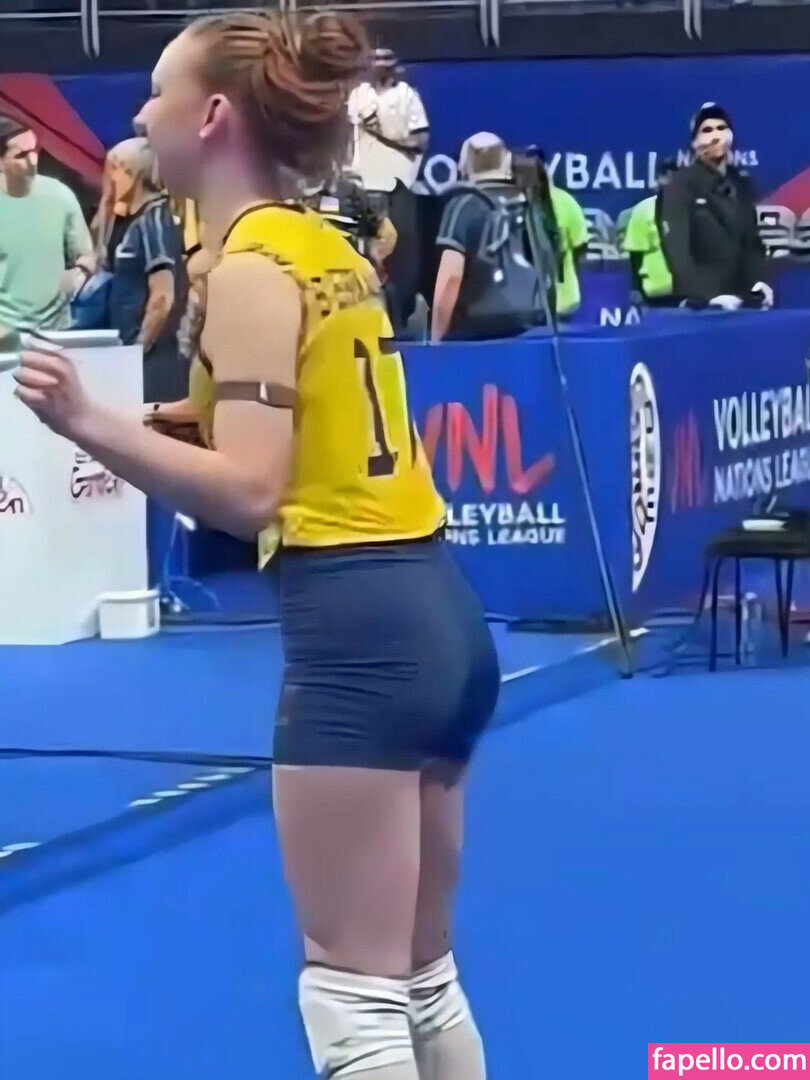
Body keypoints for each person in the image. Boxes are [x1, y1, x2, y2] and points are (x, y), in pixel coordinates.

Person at [14, 11, 499, 1080]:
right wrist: (160, 422)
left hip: (356, 635)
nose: (140, 115)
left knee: (352, 1000)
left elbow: (249, 491)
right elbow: (301, 421)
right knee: (423, 978)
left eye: (157, 93)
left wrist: (88, 425)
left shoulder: (245, 272)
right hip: (438, 611)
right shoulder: (325, 247)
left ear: (212, 117)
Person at [94, 137, 188, 402]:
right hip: (126, 350)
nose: (109, 178)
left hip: (151, 361)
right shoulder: (129, 219)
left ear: (133, 173)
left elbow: (162, 296)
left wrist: (137, 351)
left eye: (114, 169)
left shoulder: (153, 221)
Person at [431, 131, 545, 342]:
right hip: (531, 324)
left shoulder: (462, 205)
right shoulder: (531, 204)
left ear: (464, 164)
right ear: (506, 160)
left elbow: (451, 278)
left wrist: (436, 337)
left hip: (477, 329)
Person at [659, 103, 773, 310]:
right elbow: (677, 251)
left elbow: (752, 242)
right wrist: (706, 297)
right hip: (701, 306)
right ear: (694, 142)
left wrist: (759, 283)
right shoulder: (680, 184)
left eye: (721, 128)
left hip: (743, 302)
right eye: (707, 130)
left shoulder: (742, 183)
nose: (715, 136)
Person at [348, 47, 429, 332]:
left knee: (401, 254)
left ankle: (401, 316)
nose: (380, 63)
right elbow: (346, 136)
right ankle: (367, 314)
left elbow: (420, 141)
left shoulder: (407, 95)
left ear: (395, 63)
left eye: (386, 58)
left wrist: (382, 135)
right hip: (364, 186)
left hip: (397, 185)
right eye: (375, 58)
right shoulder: (358, 94)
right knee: (366, 253)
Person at [0, 116, 95, 346]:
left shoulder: (60, 195)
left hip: (55, 333)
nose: (33, 161)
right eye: (21, 155)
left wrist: (77, 276)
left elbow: (87, 256)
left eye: (34, 150)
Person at [622, 157, 677, 305]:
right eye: (665, 176)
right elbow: (635, 255)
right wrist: (635, 289)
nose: (669, 182)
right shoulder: (643, 210)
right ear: (658, 180)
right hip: (655, 290)